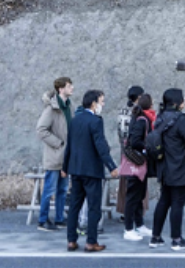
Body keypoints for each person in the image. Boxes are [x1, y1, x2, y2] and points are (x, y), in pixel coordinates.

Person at [63, 90, 119, 253]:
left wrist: (65, 167)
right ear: (93, 104)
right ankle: (91, 241)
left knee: (75, 205)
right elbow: (100, 145)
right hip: (92, 170)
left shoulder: (75, 121)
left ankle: (71, 240)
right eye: (101, 102)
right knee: (94, 207)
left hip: (76, 169)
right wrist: (111, 166)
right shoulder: (96, 121)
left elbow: (70, 146)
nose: (103, 105)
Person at [149, 87, 185, 251]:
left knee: (164, 201)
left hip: (164, 167)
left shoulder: (160, 118)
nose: (184, 102)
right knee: (178, 203)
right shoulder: (180, 119)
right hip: (179, 167)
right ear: (177, 102)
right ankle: (176, 239)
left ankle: (155, 237)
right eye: (182, 99)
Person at [35, 76, 74, 232]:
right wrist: (58, 143)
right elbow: (41, 130)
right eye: (69, 86)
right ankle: (42, 220)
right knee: (49, 190)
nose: (72, 88)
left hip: (66, 157)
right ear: (61, 89)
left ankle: (59, 218)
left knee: (63, 190)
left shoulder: (69, 106)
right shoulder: (51, 109)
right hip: (55, 156)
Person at [121, 92, 156, 240]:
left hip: (139, 162)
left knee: (139, 195)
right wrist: (148, 145)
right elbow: (134, 141)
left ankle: (139, 225)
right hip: (137, 161)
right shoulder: (143, 120)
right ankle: (129, 229)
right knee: (133, 196)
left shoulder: (140, 117)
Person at [115, 85, 144, 219]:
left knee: (125, 184)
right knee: (137, 185)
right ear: (139, 97)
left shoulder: (122, 111)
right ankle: (135, 215)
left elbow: (120, 133)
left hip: (124, 153)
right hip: (136, 154)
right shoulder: (138, 112)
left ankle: (124, 212)